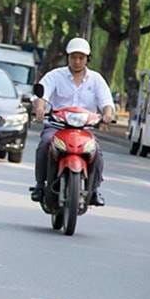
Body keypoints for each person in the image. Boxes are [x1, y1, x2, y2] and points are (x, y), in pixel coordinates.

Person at [31, 37, 115, 206]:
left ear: (87, 59)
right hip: (56, 127)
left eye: (81, 58)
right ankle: (40, 186)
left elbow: (107, 103)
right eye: (73, 57)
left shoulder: (96, 79)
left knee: (96, 151)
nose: (77, 61)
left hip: (84, 130)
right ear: (67, 57)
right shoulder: (55, 75)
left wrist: (107, 115)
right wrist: (39, 108)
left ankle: (94, 190)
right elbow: (41, 95)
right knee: (45, 143)